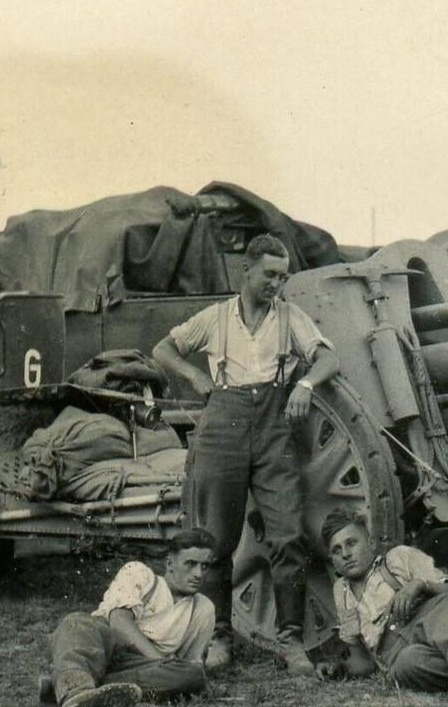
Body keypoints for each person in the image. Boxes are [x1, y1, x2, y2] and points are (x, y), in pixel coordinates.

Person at [152, 234, 340, 674]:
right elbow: (163, 349)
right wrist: (194, 379)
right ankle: (220, 637)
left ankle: (291, 640)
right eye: (270, 274)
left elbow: (328, 358)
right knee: (215, 539)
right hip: (222, 426)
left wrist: (306, 384)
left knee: (288, 533)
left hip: (275, 431)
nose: (277, 283)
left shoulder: (291, 318)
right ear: (247, 271)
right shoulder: (216, 319)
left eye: (283, 276)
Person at [317, 509, 448, 707]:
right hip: (398, 654)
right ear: (332, 560)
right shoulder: (341, 591)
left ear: (371, 543)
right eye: (336, 550)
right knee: (407, 665)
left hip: (431, 621)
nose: (345, 554)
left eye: (351, 543)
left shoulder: (398, 558)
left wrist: (420, 586)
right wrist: (337, 668)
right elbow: (363, 662)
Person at [41, 529, 217, 707]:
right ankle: (75, 691)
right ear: (170, 564)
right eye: (191, 564)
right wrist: (158, 660)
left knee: (194, 674)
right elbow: (119, 623)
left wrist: (173, 670)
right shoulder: (140, 573)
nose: (199, 574)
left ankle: (74, 686)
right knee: (76, 623)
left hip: (140, 667)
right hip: (104, 646)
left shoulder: (203, 608)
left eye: (205, 566)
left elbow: (189, 663)